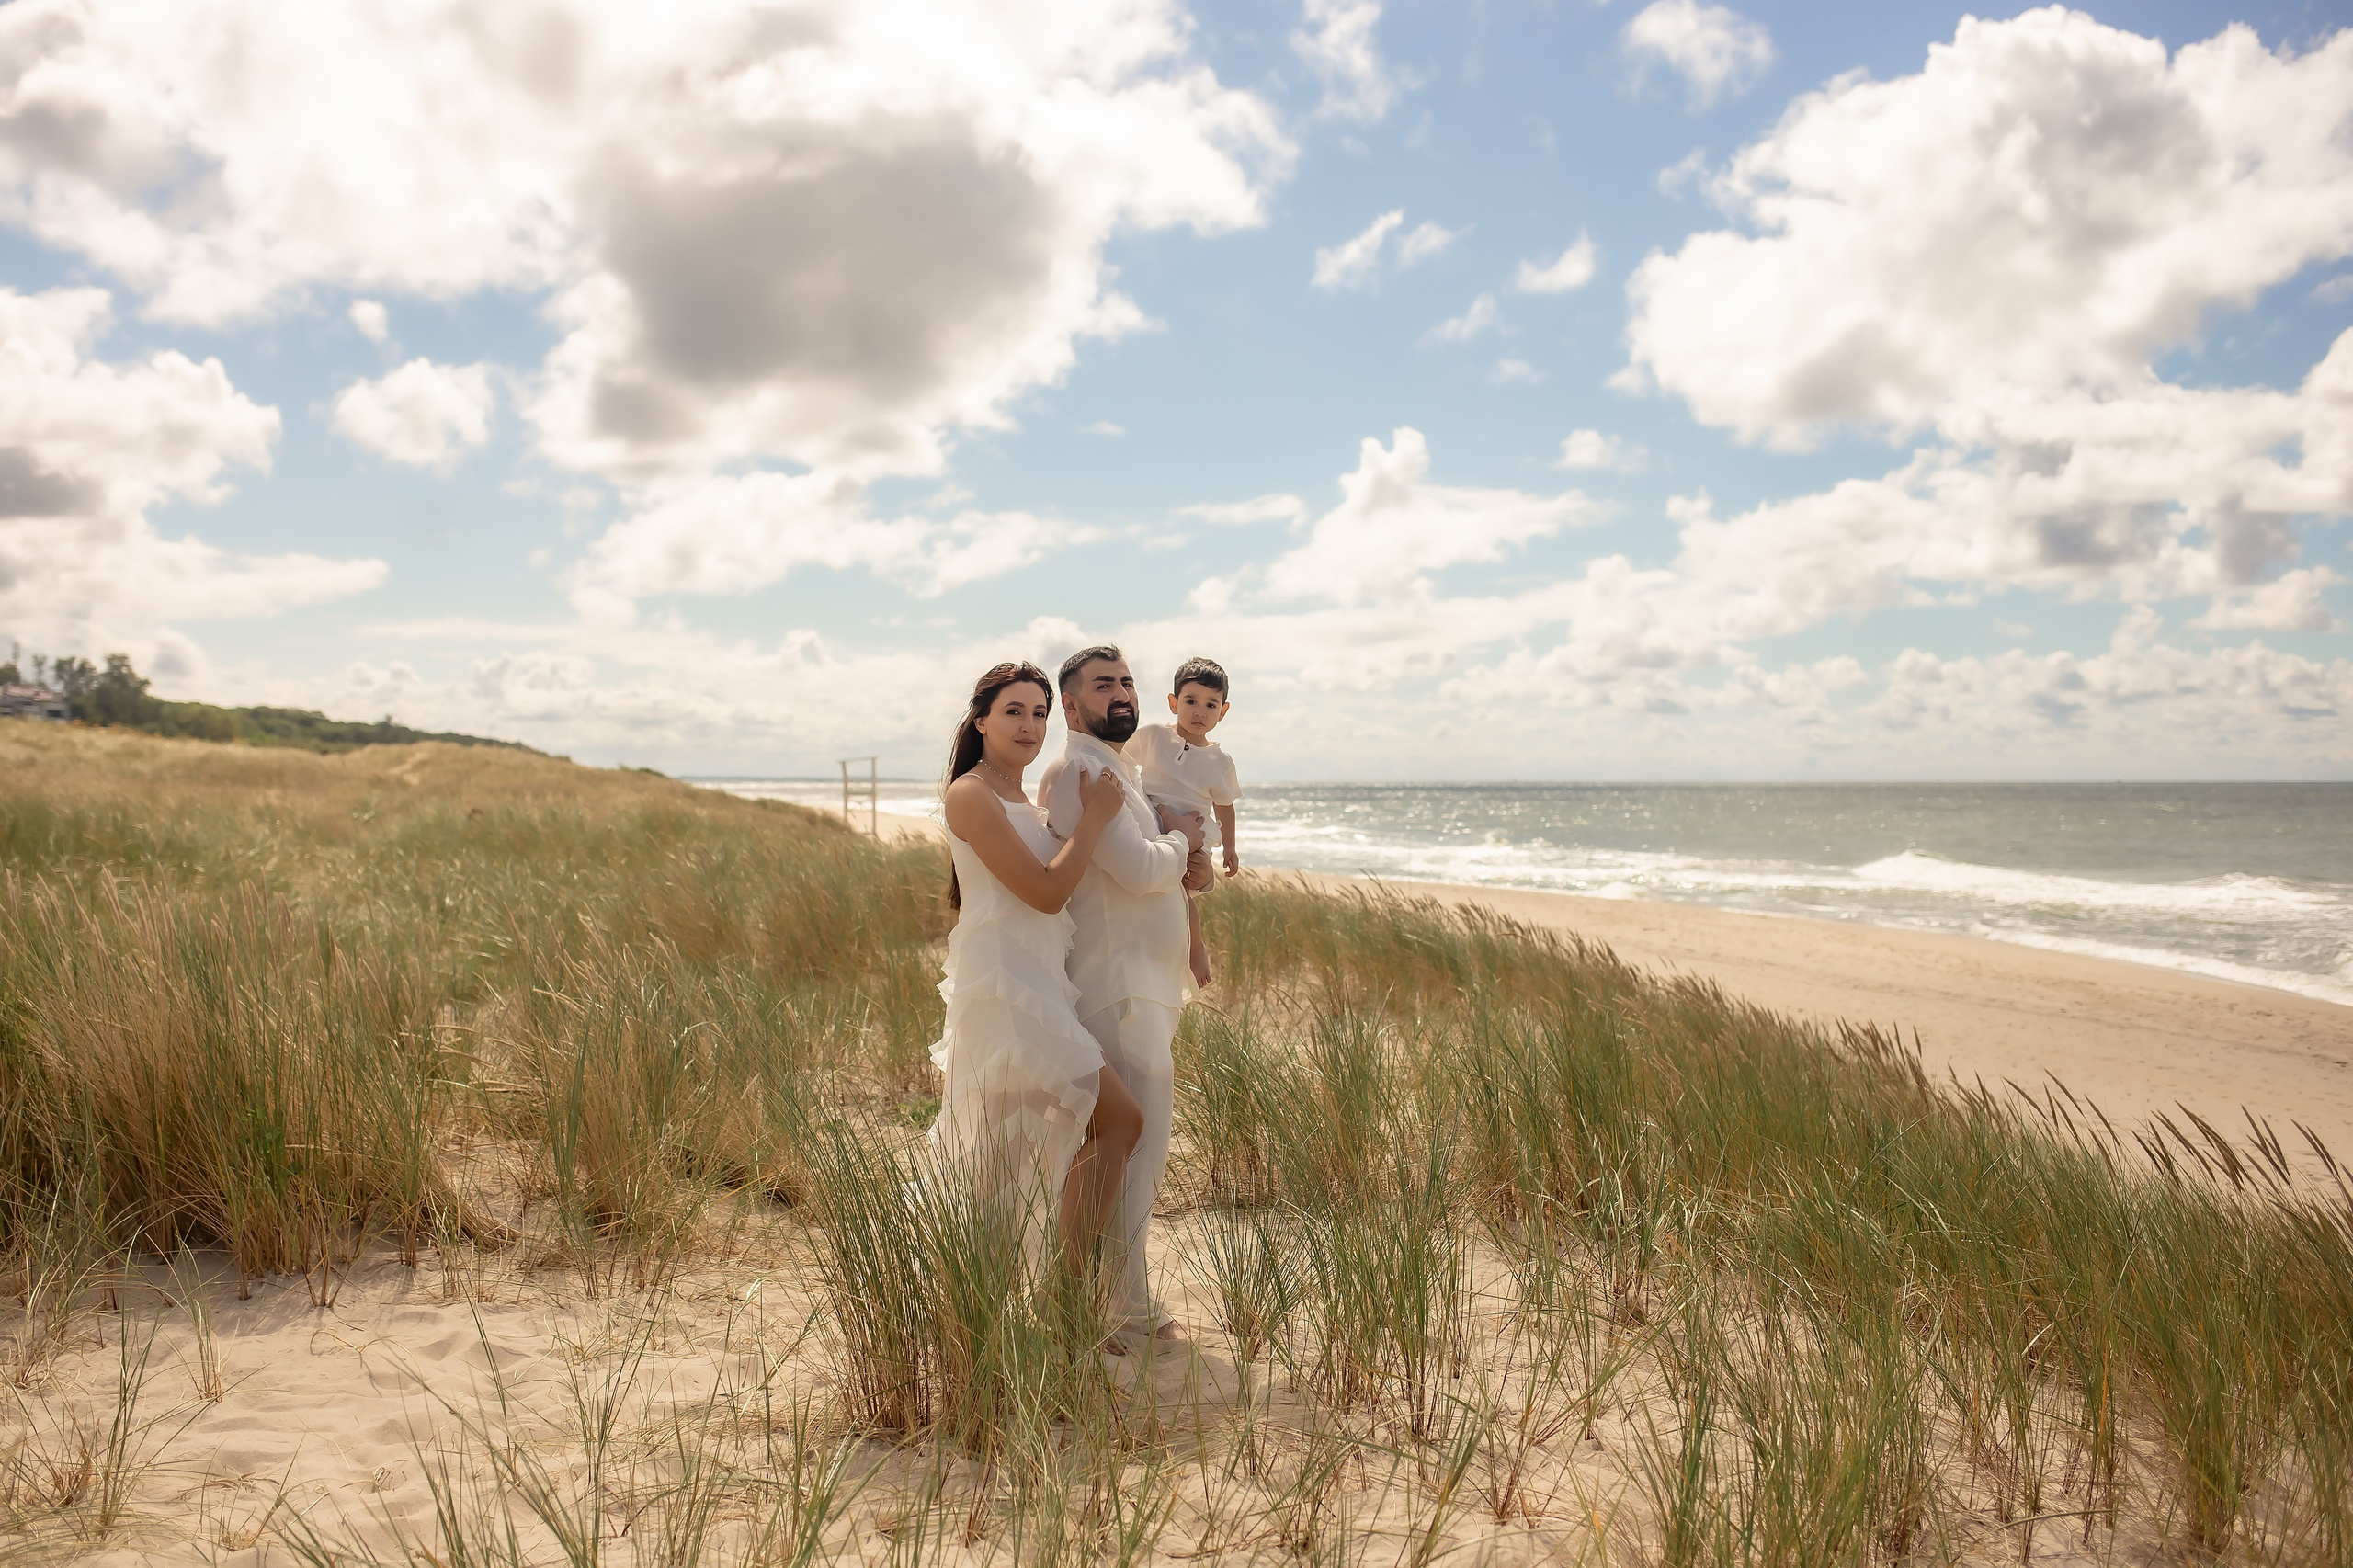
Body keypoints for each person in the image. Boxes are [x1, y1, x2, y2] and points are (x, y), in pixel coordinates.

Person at [927, 661, 1140, 1284]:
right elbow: (1045, 893)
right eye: (1014, 711)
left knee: (1007, 1153)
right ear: (982, 719)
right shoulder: (970, 793)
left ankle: (998, 1293)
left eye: (1040, 713)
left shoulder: (1023, 796)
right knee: (1118, 1120)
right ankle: (1063, 1301)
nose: (1029, 725)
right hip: (1004, 986)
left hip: (1042, 982)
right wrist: (1098, 817)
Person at [1039, 644, 1213, 1350]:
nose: (1121, 694)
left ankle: (1122, 1299)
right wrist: (1179, 843)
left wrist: (1191, 865)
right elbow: (1138, 870)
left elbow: (1159, 868)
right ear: (1072, 705)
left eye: (1127, 682)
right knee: (1127, 1148)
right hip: (1115, 987)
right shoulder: (1078, 770)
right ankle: (1114, 1307)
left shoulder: (1120, 769)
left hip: (1144, 985)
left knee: (1138, 1151)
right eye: (1102, 685)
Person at [1131, 656, 1242, 991]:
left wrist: (1231, 848)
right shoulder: (1152, 737)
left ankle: (1195, 947)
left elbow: (1224, 807)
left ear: (1222, 711)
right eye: (1191, 701)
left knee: (1182, 890)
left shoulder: (1219, 762)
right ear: (1173, 703)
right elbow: (1117, 757)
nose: (1199, 712)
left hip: (1193, 834)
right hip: (1149, 821)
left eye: (1210, 705)